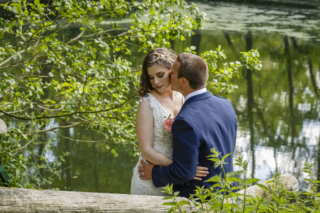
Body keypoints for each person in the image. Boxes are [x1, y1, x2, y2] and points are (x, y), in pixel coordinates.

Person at [138, 52, 237, 198]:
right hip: (228, 190)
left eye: (172, 73)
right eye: (151, 77)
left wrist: (154, 173)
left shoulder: (185, 118)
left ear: (182, 81)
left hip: (200, 196)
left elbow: (184, 171)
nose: (168, 77)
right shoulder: (226, 104)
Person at [130, 48, 209, 196]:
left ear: (172, 71)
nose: (156, 82)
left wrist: (184, 169)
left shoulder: (184, 96)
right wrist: (183, 168)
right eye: (151, 77)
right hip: (150, 177)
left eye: (160, 75)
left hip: (177, 179)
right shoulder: (146, 103)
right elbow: (146, 151)